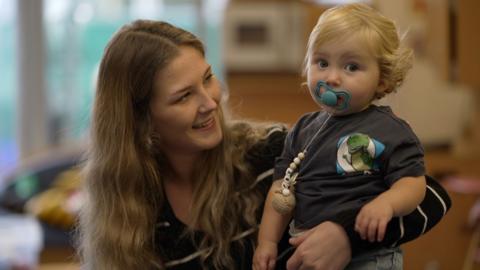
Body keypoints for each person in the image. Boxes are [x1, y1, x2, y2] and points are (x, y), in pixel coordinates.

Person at [77, 19, 450, 270]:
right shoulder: (128, 218)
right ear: (143, 120)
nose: (210, 102)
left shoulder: (272, 152)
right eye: (183, 96)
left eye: (208, 78)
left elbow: (431, 196)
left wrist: (348, 237)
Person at [253, 3, 448, 270]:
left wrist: (386, 204)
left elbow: (414, 184)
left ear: (382, 80)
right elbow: (281, 189)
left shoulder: (390, 130)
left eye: (351, 67)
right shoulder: (301, 130)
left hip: (369, 257)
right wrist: (267, 242)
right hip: (306, 252)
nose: (331, 77)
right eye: (322, 63)